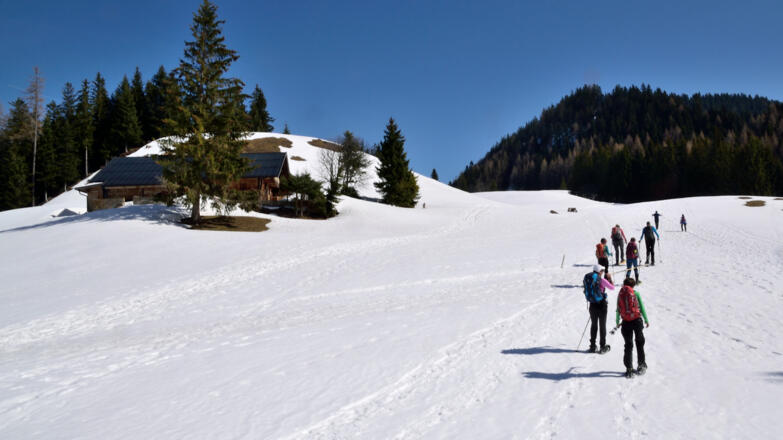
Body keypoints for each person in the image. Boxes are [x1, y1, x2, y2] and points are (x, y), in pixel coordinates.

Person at [615, 278, 649, 377]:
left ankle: (629, 368)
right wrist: (646, 319)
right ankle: (641, 365)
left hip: (625, 322)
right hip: (637, 321)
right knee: (639, 342)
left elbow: (618, 309)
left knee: (628, 345)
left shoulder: (620, 294)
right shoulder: (636, 293)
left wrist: (617, 321)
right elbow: (641, 307)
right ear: (633, 286)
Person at [583, 264, 615, 353]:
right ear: (600, 271)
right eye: (602, 271)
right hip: (602, 304)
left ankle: (592, 346)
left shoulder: (588, 278)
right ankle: (602, 346)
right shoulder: (602, 280)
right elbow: (612, 287)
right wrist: (610, 278)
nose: (603, 272)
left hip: (592, 304)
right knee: (602, 325)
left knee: (593, 325)